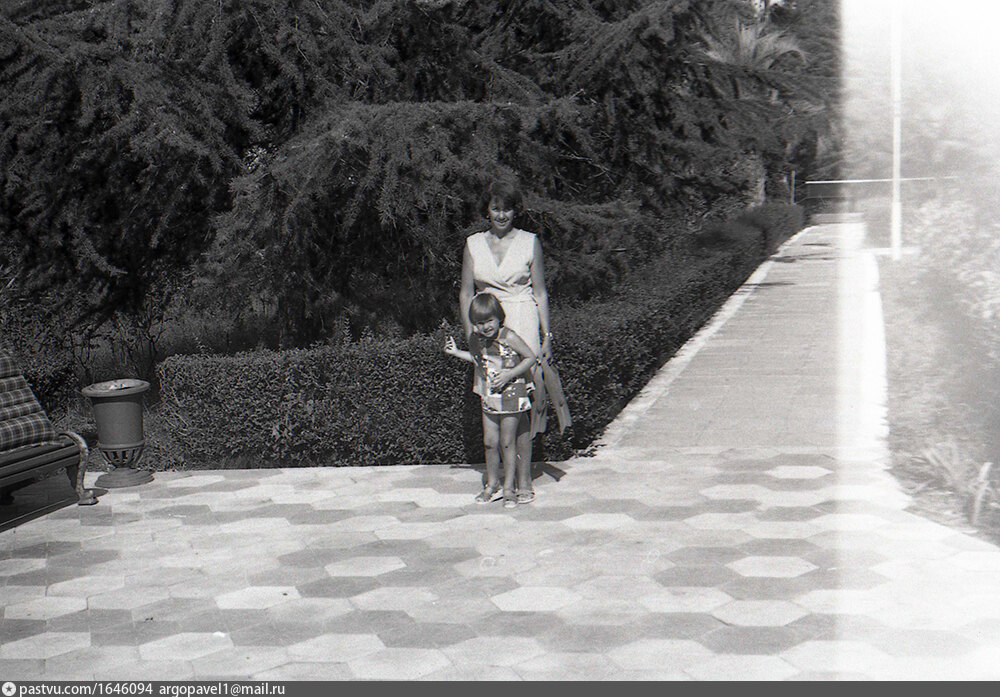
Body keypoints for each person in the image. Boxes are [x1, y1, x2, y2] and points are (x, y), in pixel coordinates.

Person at [459, 179, 554, 504]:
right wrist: (470, 335)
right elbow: (466, 293)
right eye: (496, 208)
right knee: (491, 401)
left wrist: (546, 336)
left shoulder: (529, 242)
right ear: (487, 209)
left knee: (520, 407)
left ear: (516, 211)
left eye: (508, 208)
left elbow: (540, 292)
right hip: (486, 326)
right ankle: (495, 481)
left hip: (522, 321)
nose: (501, 215)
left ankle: (524, 479)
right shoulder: (473, 244)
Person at [444, 293, 536, 509]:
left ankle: (509, 488)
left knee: (507, 442)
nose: (485, 327)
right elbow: (479, 361)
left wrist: (509, 374)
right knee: (489, 442)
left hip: (511, 394)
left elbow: (530, 357)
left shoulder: (509, 336)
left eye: (489, 321)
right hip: (489, 395)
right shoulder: (478, 340)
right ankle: (493, 484)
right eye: (479, 323)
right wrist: (456, 352)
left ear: (499, 317)